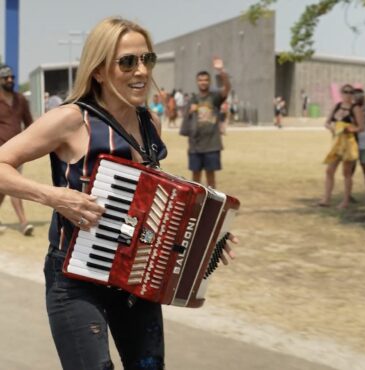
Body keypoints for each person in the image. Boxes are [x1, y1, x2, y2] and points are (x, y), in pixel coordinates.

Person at [0, 17, 237, 369]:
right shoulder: (70, 119)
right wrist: (54, 197)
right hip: (74, 280)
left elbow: (154, 200)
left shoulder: (149, 123)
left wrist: (207, 236)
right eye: (127, 62)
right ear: (98, 70)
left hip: (134, 281)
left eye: (147, 60)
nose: (141, 70)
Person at [186, 58, 231, 189]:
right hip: (195, 145)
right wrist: (190, 111)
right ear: (197, 82)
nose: (203, 82)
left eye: (206, 80)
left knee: (211, 180)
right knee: (195, 180)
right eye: (200, 80)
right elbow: (186, 120)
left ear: (209, 81)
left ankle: (211, 205)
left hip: (211, 145)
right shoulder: (193, 98)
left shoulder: (214, 97)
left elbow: (227, 88)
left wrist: (221, 71)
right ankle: (195, 207)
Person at [0, 64, 34, 235]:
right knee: (9, 186)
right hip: (0, 152)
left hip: (16, 151)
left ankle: (23, 223)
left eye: (11, 77)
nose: (10, 80)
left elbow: (29, 124)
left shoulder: (21, 99)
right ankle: (24, 222)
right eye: (6, 78)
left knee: (9, 186)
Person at [319, 84, 365, 209]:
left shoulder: (356, 108)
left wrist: (351, 128)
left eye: (350, 92)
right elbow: (327, 123)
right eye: (345, 92)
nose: (348, 94)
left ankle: (345, 202)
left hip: (349, 144)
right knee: (329, 171)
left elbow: (362, 127)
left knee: (347, 173)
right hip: (336, 144)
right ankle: (326, 199)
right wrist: (331, 128)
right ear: (341, 93)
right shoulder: (337, 106)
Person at [353, 88, 365, 202]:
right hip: (351, 144)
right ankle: (347, 195)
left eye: (360, 96)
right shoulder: (351, 109)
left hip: (364, 144)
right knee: (349, 171)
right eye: (356, 96)